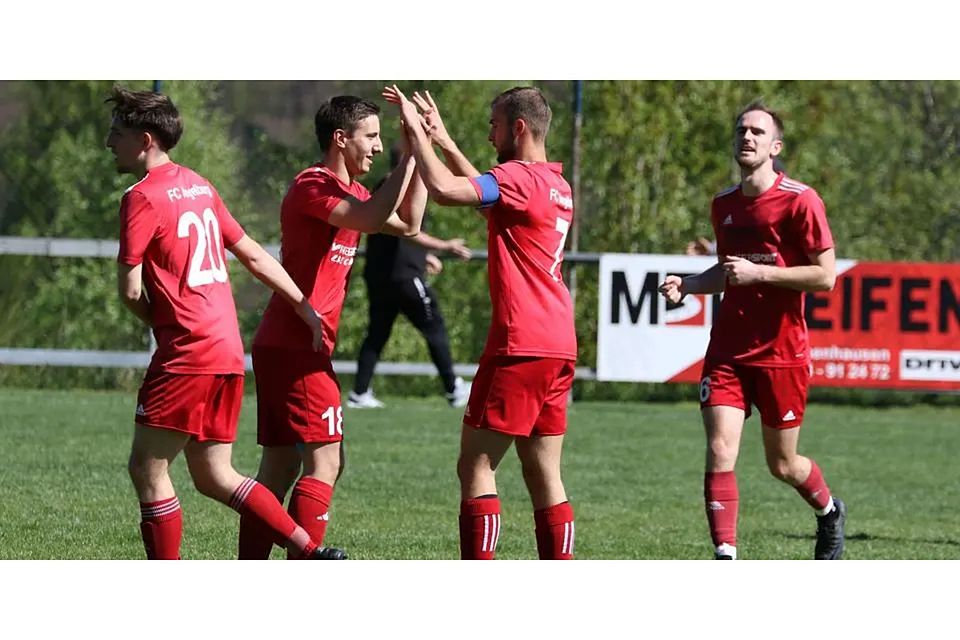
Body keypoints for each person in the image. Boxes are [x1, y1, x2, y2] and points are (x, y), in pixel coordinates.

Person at [107, 85, 342, 559]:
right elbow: (252, 254)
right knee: (215, 474)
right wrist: (303, 304)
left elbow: (130, 291)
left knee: (147, 468)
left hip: (187, 351)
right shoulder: (200, 185)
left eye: (117, 133)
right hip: (227, 348)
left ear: (146, 139)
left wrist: (162, 323)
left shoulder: (141, 196)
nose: (109, 142)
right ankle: (309, 550)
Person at [383, 85, 577, 560]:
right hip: (558, 342)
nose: (490, 136)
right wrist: (445, 141)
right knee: (544, 473)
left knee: (476, 465)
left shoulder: (516, 178)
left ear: (518, 128)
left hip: (520, 343)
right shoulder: (555, 183)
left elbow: (445, 191)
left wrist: (416, 135)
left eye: (494, 126)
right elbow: (489, 197)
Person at [237, 95, 425, 559]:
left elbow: (409, 223)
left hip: (289, 344)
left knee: (279, 468)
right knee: (326, 460)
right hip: (296, 344)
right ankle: (309, 561)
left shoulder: (352, 190)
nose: (378, 146)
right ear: (341, 139)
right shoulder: (313, 185)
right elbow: (372, 218)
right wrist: (409, 154)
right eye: (371, 136)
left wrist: (419, 156)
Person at [658, 102, 846, 560]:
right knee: (720, 448)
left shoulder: (801, 200)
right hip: (729, 351)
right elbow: (727, 272)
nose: (747, 136)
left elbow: (825, 277)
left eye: (758, 132)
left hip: (782, 353)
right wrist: (689, 285)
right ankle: (725, 555)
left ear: (775, 147)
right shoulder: (723, 204)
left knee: (782, 464)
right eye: (742, 129)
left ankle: (828, 511)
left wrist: (761, 274)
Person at [349, 146, 473, 410]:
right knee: (434, 325)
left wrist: (423, 256)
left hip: (382, 274)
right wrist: (445, 246)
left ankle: (359, 392)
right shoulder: (397, 186)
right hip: (403, 276)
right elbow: (407, 230)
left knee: (377, 333)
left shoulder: (389, 186)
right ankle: (453, 388)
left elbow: (393, 233)